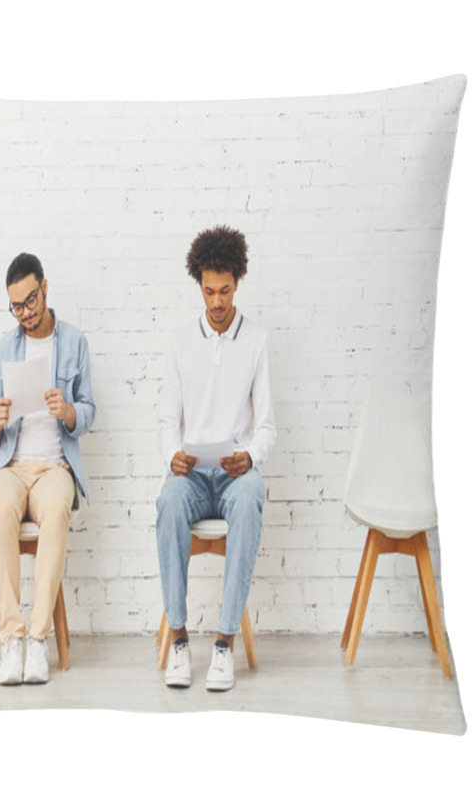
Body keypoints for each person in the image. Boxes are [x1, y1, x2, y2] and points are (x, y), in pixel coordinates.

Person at [156, 225, 276, 691]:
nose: (218, 301)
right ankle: (181, 641)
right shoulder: (181, 342)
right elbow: (167, 419)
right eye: (209, 291)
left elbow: (266, 425)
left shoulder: (257, 342)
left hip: (233, 474)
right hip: (192, 475)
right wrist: (173, 456)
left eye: (225, 291)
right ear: (199, 287)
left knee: (251, 496)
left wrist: (250, 455)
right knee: (168, 501)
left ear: (237, 284)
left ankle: (223, 644)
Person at [0, 252, 95, 685]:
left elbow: (89, 413)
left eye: (30, 301)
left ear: (45, 287)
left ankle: (38, 639)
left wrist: (68, 413)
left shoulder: (74, 341)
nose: (25, 313)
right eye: (16, 306)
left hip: (54, 467)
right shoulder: (4, 349)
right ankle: (12, 639)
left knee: (59, 506)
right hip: (10, 464)